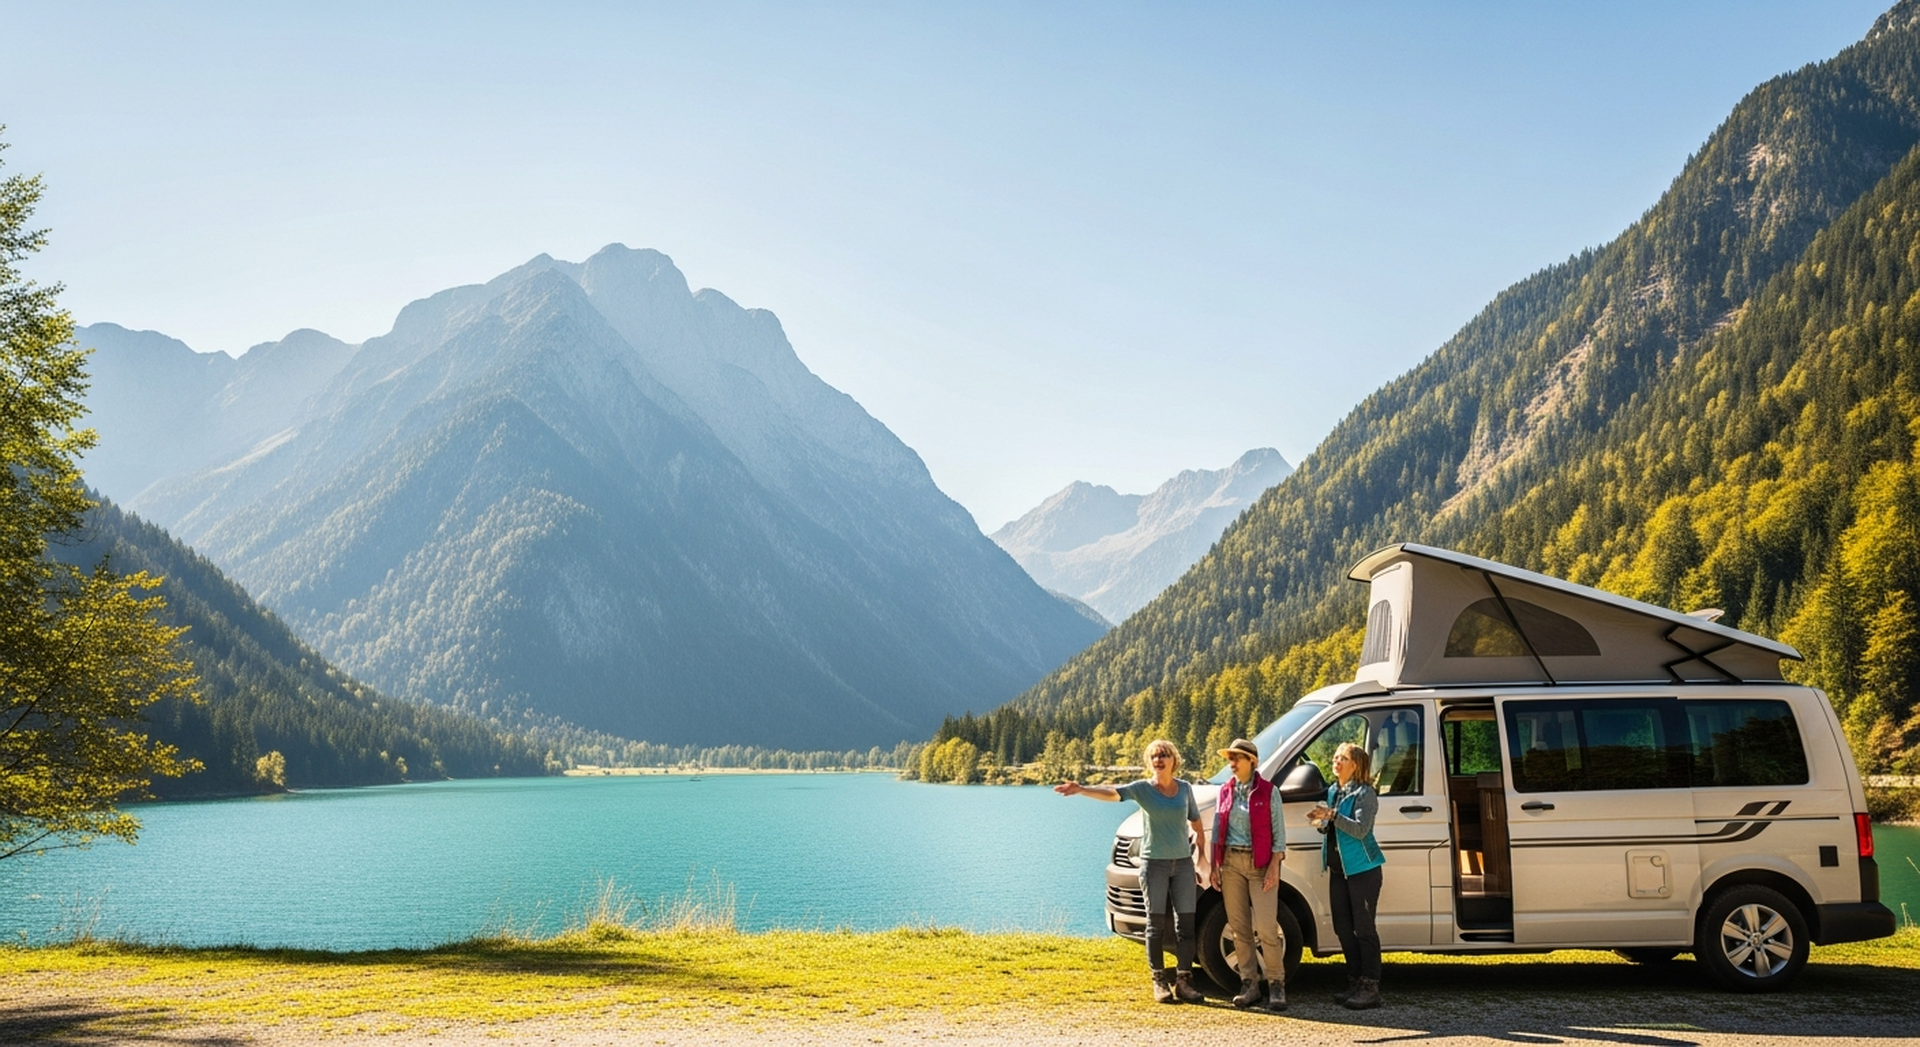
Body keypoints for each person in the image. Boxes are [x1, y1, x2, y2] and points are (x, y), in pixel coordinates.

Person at [1057, 739, 1211, 1004]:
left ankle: (1184, 982)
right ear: (1150, 762)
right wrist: (1082, 789)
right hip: (1154, 865)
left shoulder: (1185, 789)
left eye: (1163, 755)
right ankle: (1159, 982)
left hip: (1183, 865)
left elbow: (1196, 824)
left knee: (1185, 925)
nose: (1158, 759)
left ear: (1174, 760)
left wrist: (1201, 860)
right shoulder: (1142, 789)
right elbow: (1112, 792)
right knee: (1155, 925)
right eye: (1154, 756)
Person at [1308, 741, 1386, 1009]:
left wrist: (1333, 815)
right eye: (1335, 756)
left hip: (1363, 870)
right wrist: (1322, 822)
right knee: (1343, 928)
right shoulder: (1333, 791)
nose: (1336, 761)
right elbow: (1332, 827)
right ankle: (1354, 981)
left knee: (1364, 929)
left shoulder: (1365, 793)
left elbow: (1360, 830)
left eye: (1342, 758)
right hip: (1339, 871)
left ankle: (1370, 987)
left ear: (1356, 765)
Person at [1210, 738, 1287, 1011]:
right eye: (1230, 758)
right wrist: (1214, 866)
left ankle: (1276, 985)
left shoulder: (1268, 791)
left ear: (1252, 762)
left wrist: (1274, 866)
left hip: (1260, 865)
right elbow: (1218, 829)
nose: (1232, 763)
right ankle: (1249, 985)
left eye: (1237, 758)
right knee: (1239, 929)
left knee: (1267, 928)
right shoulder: (1225, 791)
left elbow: (1279, 835)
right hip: (1230, 864)